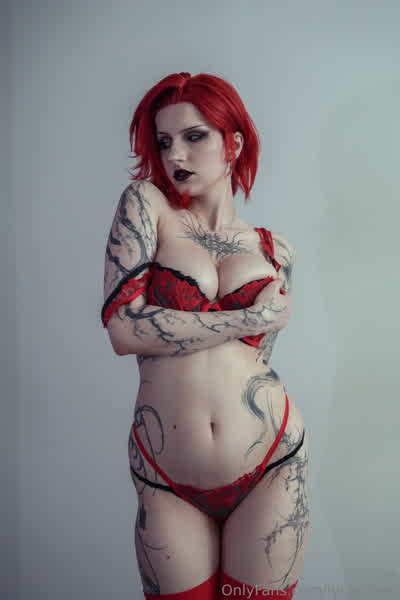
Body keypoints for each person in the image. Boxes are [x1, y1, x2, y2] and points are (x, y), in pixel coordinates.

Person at [101, 72, 310, 599]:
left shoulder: (275, 250)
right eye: (164, 141)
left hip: (272, 464)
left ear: (232, 143)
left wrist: (252, 327)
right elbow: (124, 328)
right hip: (167, 476)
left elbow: (252, 360)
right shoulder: (146, 207)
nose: (176, 154)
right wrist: (245, 319)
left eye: (194, 136)